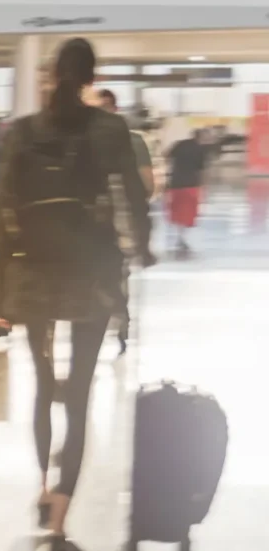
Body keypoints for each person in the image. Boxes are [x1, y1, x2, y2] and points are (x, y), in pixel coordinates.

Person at [0, 37, 153, 551]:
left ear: (50, 74)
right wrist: (143, 248)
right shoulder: (110, 129)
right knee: (79, 396)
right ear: (92, 77)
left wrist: (0, 278)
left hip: (33, 272)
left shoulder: (22, 132)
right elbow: (134, 198)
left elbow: (0, 207)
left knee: (43, 384)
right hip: (92, 271)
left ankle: (42, 487)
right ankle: (60, 525)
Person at [98, 87, 154, 354]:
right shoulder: (133, 141)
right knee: (118, 275)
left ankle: (108, 325)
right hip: (120, 224)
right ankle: (121, 324)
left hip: (89, 224)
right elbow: (147, 185)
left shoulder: (77, 141)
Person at [165, 128, 209, 255]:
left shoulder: (179, 144)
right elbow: (202, 170)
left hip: (175, 182)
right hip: (191, 184)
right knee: (188, 212)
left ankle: (179, 234)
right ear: (201, 137)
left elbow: (167, 155)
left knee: (177, 210)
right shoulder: (200, 149)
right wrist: (204, 185)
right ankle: (182, 236)